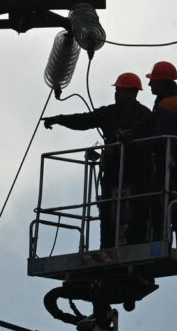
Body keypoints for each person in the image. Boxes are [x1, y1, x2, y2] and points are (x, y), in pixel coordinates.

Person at [43, 73, 151, 248]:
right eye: (116, 91)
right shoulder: (109, 112)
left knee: (138, 205)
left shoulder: (144, 115)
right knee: (107, 207)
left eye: (120, 91)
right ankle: (107, 245)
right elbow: (85, 120)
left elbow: (149, 134)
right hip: (113, 167)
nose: (116, 94)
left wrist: (130, 136)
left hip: (137, 167)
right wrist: (60, 119)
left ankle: (136, 241)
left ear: (132, 93)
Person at [146, 61, 177, 250]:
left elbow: (159, 134)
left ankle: (161, 243)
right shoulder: (173, 98)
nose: (150, 85)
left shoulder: (168, 104)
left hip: (174, 160)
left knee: (164, 203)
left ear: (164, 82)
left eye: (154, 81)